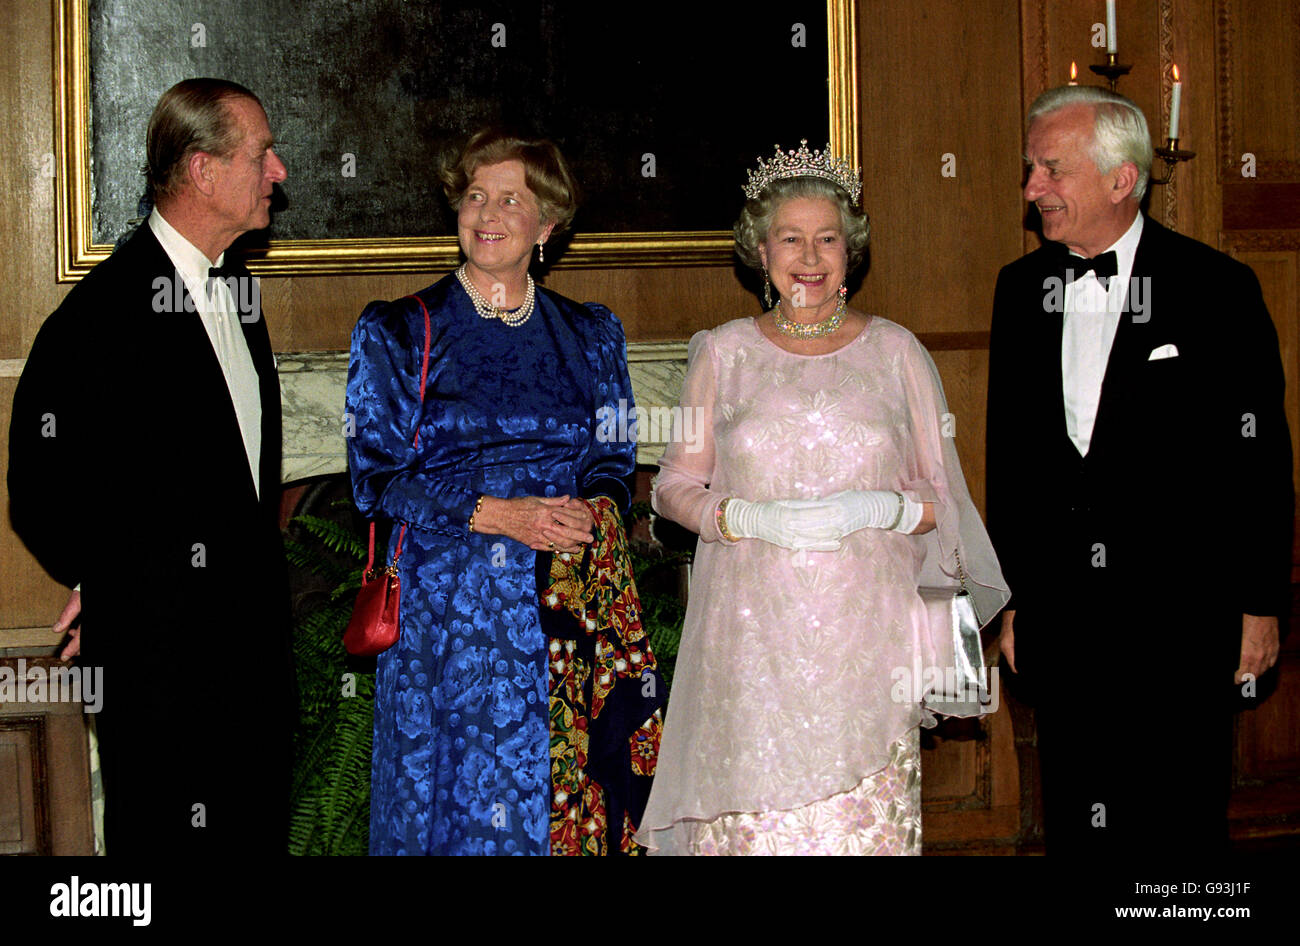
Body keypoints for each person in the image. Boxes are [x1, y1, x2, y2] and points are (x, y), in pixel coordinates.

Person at [635, 142, 1009, 855]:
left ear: (850, 250)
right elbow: (675, 487)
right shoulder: (723, 352)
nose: (810, 256)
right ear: (761, 250)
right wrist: (741, 515)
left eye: (827, 238)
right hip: (750, 646)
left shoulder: (898, 352)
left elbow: (944, 501)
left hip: (867, 643)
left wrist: (880, 508)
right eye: (791, 238)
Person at [987, 86, 1293, 854]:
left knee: (1179, 822)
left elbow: (1260, 460)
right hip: (1064, 622)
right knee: (1080, 816)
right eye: (1031, 171)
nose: (1032, 190)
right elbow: (1013, 462)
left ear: (1120, 180)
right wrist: (1012, 599)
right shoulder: (1020, 292)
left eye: (1051, 170)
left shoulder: (1218, 288)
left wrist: (1260, 605)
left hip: (1183, 620)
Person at [347, 128, 663, 856]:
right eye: (474, 196)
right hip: (450, 610)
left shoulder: (591, 334)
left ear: (546, 225)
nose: (485, 213)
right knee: (462, 802)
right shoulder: (399, 330)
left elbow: (612, 457)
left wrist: (595, 511)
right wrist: (498, 516)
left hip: (563, 597)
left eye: (509, 199)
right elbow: (376, 479)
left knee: (566, 799)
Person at [8, 78, 293, 853]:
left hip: (254, 678)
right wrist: (118, 588)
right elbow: (38, 491)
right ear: (204, 171)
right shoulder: (99, 319)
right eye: (262, 153)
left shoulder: (238, 295)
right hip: (163, 684)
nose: (280, 172)